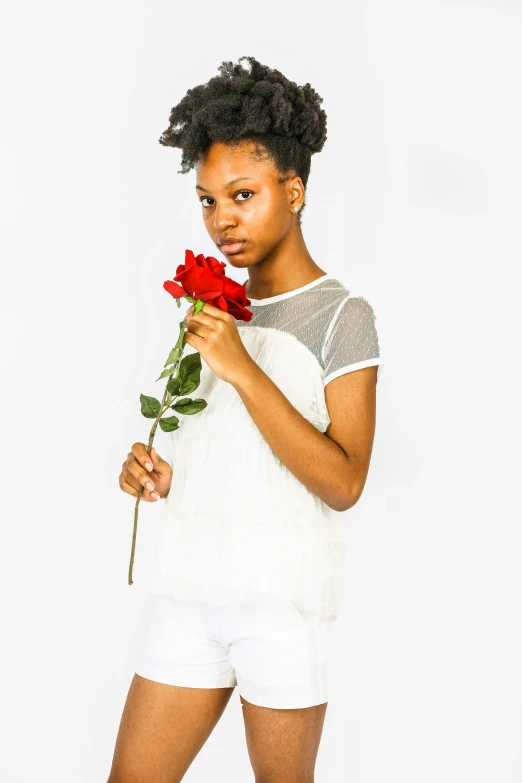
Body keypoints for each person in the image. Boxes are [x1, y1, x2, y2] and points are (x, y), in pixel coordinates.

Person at [109, 56, 383, 783]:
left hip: (280, 608)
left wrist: (241, 364)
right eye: (206, 200)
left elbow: (345, 479)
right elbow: (225, 446)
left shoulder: (342, 316)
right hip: (189, 594)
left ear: (294, 191)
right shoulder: (212, 313)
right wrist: (161, 471)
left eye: (242, 194)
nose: (221, 219)